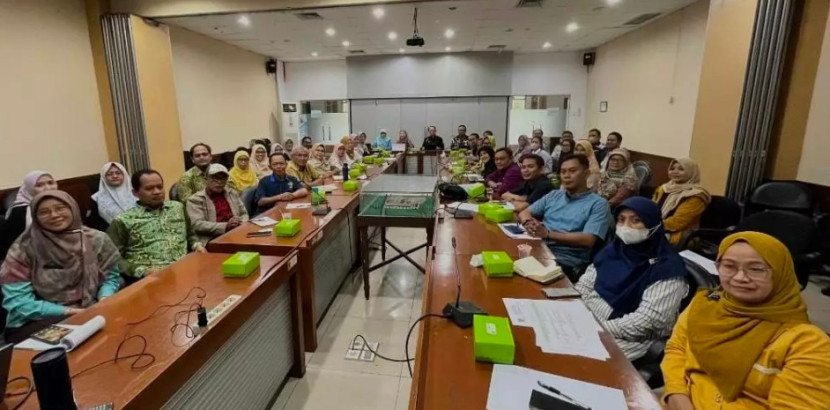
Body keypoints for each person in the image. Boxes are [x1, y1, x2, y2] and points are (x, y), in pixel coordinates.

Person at [662, 232, 830, 409]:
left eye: (756, 269)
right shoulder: (705, 303)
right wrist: (676, 395)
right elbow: (677, 350)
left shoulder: (807, 344)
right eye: (729, 266)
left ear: (781, 273)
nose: (739, 277)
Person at [575, 197, 688, 361]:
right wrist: (575, 314)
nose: (626, 227)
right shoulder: (613, 250)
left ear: (653, 225)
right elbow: (584, 286)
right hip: (586, 320)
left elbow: (647, 321)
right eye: (621, 220)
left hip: (627, 337)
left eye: (636, 221)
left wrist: (594, 327)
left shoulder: (667, 268)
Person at [0, 191, 122, 342]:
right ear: (35, 217)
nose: (54, 215)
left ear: (73, 208)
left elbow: (110, 277)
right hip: (37, 320)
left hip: (91, 309)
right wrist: (71, 312)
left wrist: (104, 298)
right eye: (44, 212)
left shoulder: (97, 239)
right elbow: (19, 303)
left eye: (60, 208)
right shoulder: (24, 248)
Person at [518, 154, 611, 279]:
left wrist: (547, 234)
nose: (567, 176)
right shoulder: (554, 195)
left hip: (564, 259)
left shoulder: (598, 204)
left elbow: (588, 240)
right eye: (563, 172)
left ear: (586, 173)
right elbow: (524, 212)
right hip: (537, 248)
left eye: (572, 171)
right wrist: (528, 224)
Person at [108, 170, 204, 282]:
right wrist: (142, 271)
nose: (157, 192)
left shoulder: (178, 208)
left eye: (160, 187)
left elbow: (190, 234)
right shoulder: (123, 221)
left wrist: (197, 245)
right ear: (135, 193)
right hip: (149, 280)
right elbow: (113, 259)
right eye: (149, 189)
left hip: (184, 272)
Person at [653, 158, 711, 246]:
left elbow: (677, 223)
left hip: (679, 234)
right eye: (672, 168)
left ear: (691, 172)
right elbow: (650, 208)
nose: (675, 172)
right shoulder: (664, 188)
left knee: (642, 238)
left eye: (681, 169)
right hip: (657, 227)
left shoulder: (696, 195)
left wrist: (649, 225)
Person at [1, 171, 58, 260]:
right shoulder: (21, 211)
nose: (48, 188)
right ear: (29, 188)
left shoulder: (60, 203)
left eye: (51, 183)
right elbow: (17, 245)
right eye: (39, 185)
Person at [186, 164, 249, 245]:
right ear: (206, 179)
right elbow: (198, 225)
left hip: (237, 232)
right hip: (212, 239)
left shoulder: (232, 193)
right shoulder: (195, 199)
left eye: (223, 178)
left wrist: (241, 222)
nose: (219, 182)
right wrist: (226, 226)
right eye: (215, 178)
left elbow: (244, 214)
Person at [89, 162, 136, 231]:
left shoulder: (136, 192)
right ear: (104, 177)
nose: (114, 176)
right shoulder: (97, 198)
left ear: (124, 174)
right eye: (109, 174)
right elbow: (95, 223)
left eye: (118, 173)